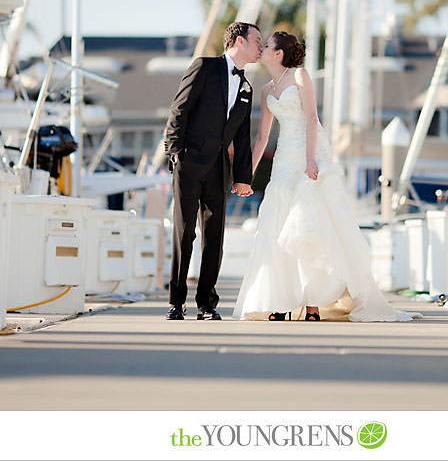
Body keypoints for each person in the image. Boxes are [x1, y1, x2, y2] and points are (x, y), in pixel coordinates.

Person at [232, 31, 412, 322]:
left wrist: (310, 161)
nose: (262, 49)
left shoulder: (300, 76)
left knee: (309, 225)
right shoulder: (266, 90)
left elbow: (312, 118)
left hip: (309, 154)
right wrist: (247, 176)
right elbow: (263, 137)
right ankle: (282, 301)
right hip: (283, 160)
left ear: (278, 54)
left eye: (267, 46)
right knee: (279, 229)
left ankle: (313, 303)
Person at [163, 21, 262, 321]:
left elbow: (242, 136)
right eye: (258, 40)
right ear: (240, 41)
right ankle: (176, 302)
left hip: (220, 169)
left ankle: (207, 303)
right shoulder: (204, 67)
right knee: (184, 234)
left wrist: (243, 178)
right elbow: (179, 108)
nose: (261, 46)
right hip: (189, 161)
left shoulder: (247, 87)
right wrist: (175, 150)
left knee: (215, 237)